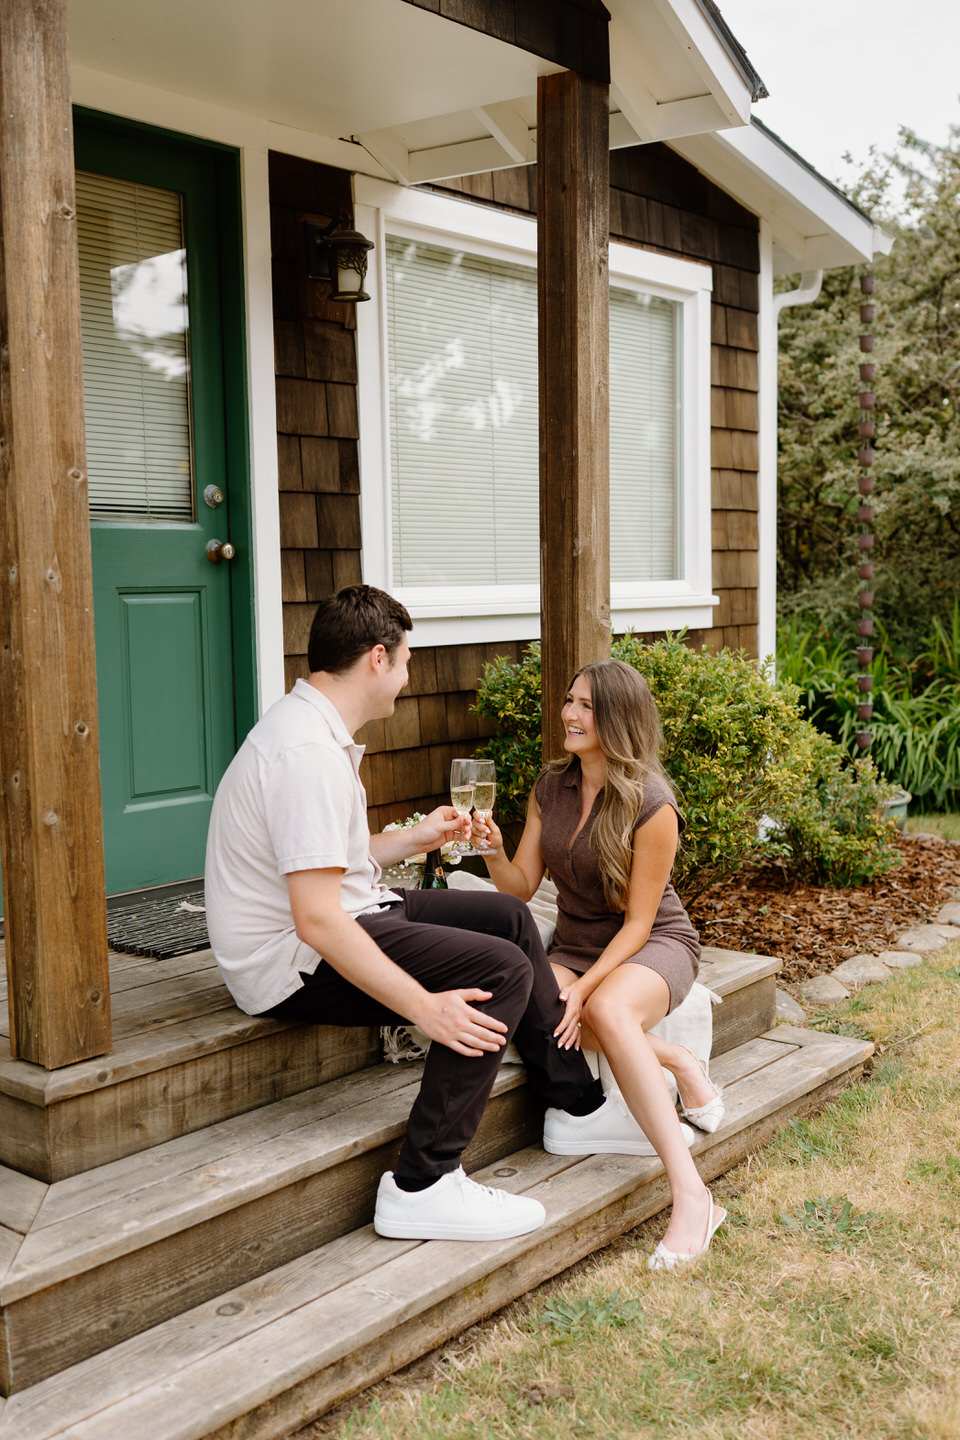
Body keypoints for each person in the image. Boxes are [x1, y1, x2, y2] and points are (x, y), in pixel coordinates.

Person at [204, 586, 646, 1244]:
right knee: (498, 969)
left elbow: (332, 866)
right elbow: (318, 921)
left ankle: (575, 1106)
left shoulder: (311, 731)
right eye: (408, 662)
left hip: (343, 915)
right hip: (289, 964)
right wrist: (423, 1006)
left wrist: (413, 840)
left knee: (508, 920)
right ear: (378, 659)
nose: (409, 679)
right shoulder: (307, 756)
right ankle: (424, 1182)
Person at [475, 660, 726, 1269]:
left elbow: (640, 923)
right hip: (578, 941)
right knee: (536, 1011)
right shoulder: (550, 787)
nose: (569, 714)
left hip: (652, 943)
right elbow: (520, 887)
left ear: (618, 717)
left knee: (608, 1010)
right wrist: (494, 851)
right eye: (568, 701)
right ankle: (677, 1059)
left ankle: (692, 1194)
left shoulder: (651, 802)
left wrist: (587, 987)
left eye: (586, 706)